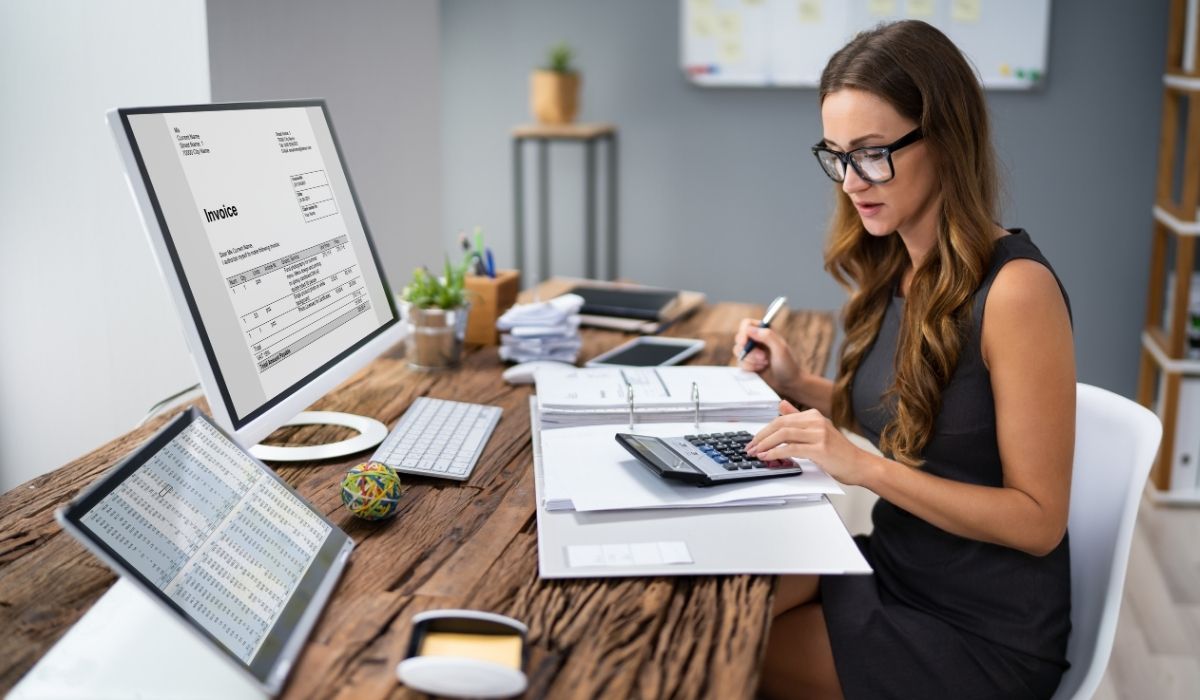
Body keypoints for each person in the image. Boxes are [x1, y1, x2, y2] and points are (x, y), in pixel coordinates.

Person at [735, 20, 1075, 700]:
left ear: (944, 138)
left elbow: (1039, 522)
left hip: (980, 632)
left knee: (725, 654)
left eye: (872, 153)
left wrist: (865, 468)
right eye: (837, 156)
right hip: (894, 567)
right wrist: (798, 384)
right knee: (715, 604)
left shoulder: (1016, 291)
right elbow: (918, 419)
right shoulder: (900, 265)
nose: (851, 181)